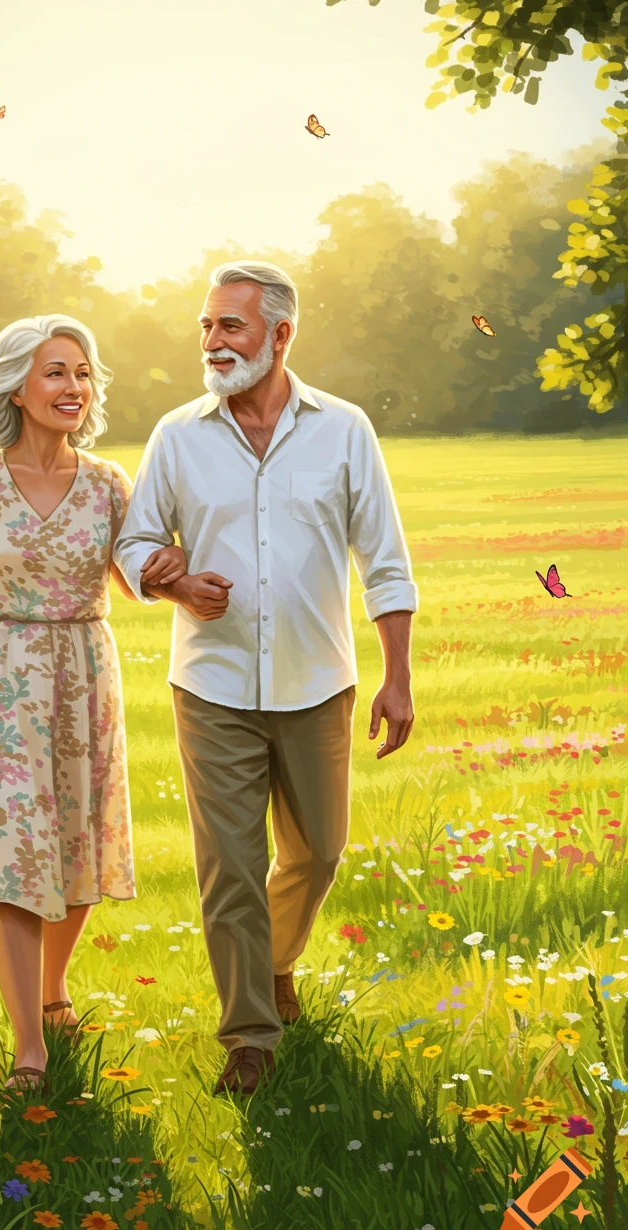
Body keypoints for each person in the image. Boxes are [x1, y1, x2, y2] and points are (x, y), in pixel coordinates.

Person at [113, 261, 418, 1098]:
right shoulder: (178, 435)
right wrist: (169, 580)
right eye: (207, 327)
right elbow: (133, 544)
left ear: (281, 335)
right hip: (210, 688)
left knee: (318, 852)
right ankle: (250, 1035)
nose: (213, 342)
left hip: (319, 681)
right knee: (231, 869)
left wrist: (397, 676)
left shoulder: (344, 429)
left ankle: (277, 960)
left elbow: (383, 559)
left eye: (231, 327)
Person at [0, 314, 186, 1093]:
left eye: (83, 373)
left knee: (75, 851)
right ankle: (30, 1048)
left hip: (85, 677)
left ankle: (55, 991)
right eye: (56, 372)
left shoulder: (109, 484)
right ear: (17, 388)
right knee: (14, 860)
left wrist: (176, 564)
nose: (74, 387)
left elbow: (136, 584)